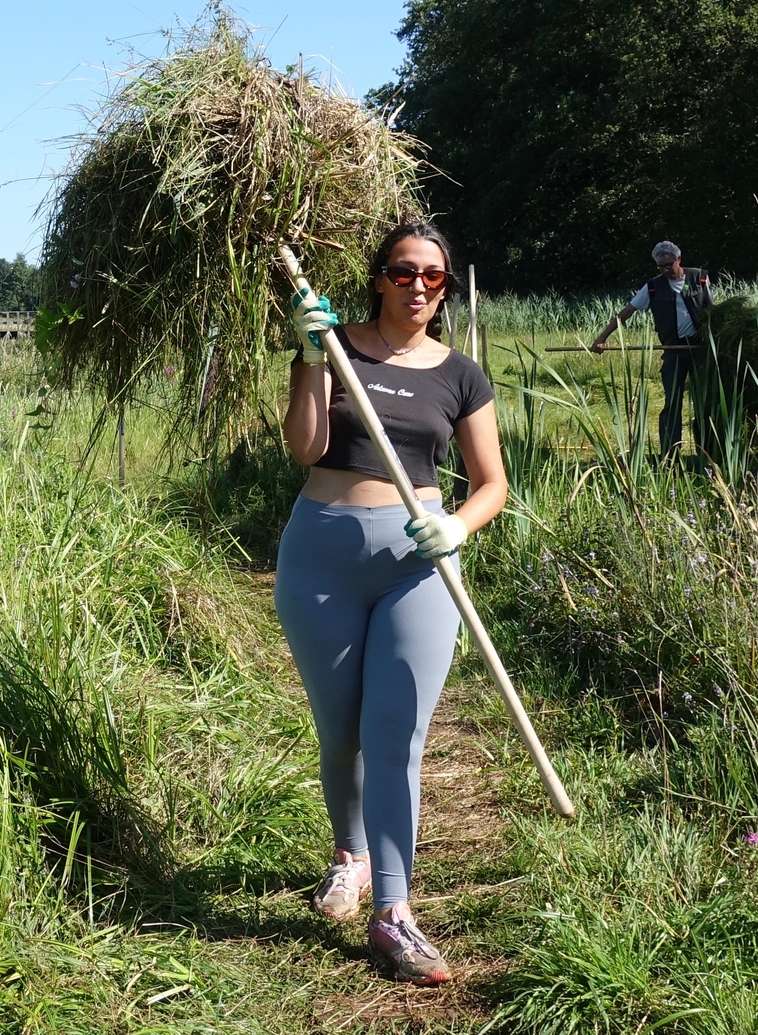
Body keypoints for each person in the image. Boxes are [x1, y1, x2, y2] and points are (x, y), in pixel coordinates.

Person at [276, 222, 505, 986]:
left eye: (433, 277)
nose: (418, 288)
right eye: (403, 272)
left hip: (419, 563)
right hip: (322, 554)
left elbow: (493, 483)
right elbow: (305, 447)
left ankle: (394, 913)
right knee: (341, 732)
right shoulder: (335, 348)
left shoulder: (462, 375)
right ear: (378, 278)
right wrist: (312, 360)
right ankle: (351, 856)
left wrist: (456, 524)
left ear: (445, 288)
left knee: (396, 733)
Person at [588, 241, 713, 457]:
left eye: (668, 265)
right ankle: (670, 455)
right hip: (673, 351)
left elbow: (713, 311)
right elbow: (627, 312)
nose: (665, 269)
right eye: (660, 266)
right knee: (672, 402)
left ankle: (707, 451)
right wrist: (602, 337)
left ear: (678, 260)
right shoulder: (654, 286)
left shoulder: (699, 278)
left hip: (700, 349)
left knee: (704, 402)